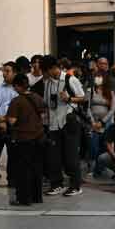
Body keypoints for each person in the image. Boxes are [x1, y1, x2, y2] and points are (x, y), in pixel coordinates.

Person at [37, 56, 86, 196]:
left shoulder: (70, 79)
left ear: (53, 68)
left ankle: (76, 185)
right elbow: (47, 103)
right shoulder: (47, 83)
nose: (44, 75)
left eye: (45, 71)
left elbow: (83, 97)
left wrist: (69, 98)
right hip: (53, 124)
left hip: (68, 121)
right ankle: (56, 184)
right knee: (54, 157)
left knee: (71, 157)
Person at [6, 73, 45, 206]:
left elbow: (12, 121)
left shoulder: (17, 101)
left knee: (23, 170)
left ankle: (23, 198)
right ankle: (37, 196)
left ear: (17, 86)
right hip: (39, 137)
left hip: (23, 138)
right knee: (37, 168)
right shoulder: (38, 98)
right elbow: (44, 116)